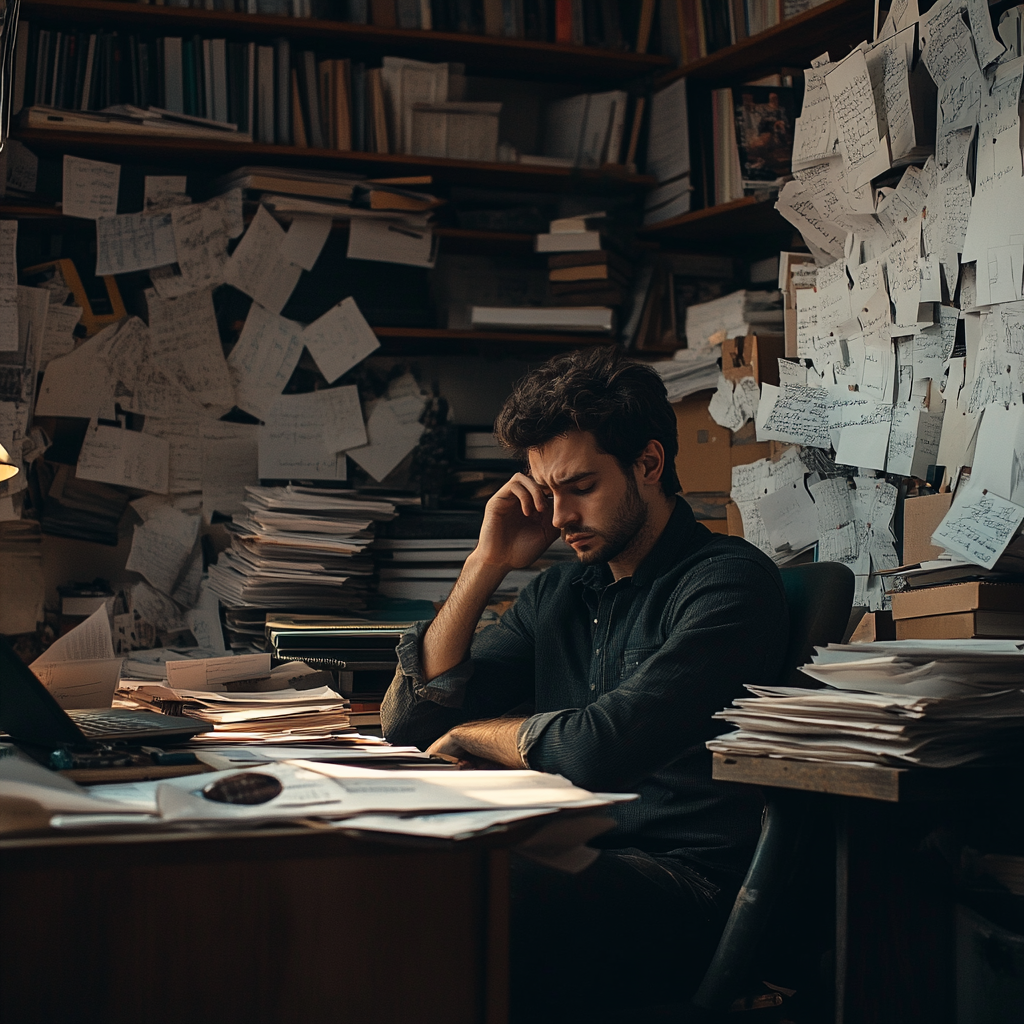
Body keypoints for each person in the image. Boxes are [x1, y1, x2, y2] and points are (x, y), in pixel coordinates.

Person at [381, 348, 789, 1022]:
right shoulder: (561, 590)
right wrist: (487, 563)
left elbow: (595, 750)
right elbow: (410, 725)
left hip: (681, 888)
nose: (558, 515)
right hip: (569, 857)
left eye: (580, 486)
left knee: (471, 886)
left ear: (649, 465)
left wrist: (472, 737)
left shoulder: (728, 583)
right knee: (397, 871)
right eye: (547, 491)